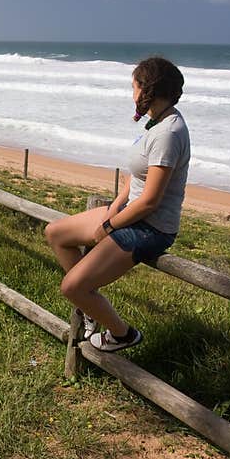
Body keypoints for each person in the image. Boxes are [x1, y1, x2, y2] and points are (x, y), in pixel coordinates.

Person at [44, 56, 189, 352]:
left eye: (134, 86)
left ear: (146, 89)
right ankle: (90, 303)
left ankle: (123, 334)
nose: (131, 93)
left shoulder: (169, 134)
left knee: (70, 287)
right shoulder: (156, 123)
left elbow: (150, 201)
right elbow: (133, 180)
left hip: (150, 228)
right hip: (129, 214)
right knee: (55, 233)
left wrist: (108, 227)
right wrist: (113, 209)